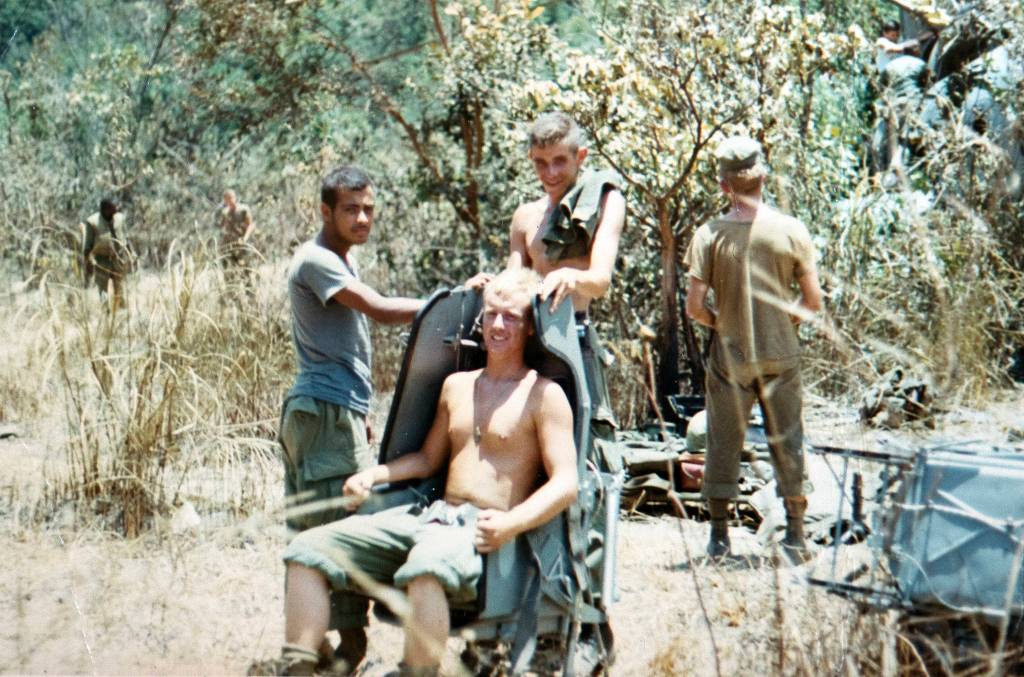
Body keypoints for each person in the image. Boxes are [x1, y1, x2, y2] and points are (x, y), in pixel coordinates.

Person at [276, 268, 578, 676]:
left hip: (479, 527)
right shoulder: (457, 385)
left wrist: (511, 523)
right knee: (308, 549)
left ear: (529, 327)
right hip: (431, 515)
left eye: (511, 317)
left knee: (426, 567)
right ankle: (298, 668)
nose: (498, 325)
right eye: (491, 314)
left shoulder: (544, 395)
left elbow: (566, 483)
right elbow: (427, 460)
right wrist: (375, 476)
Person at [280, 165, 424, 670]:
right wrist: (451, 303)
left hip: (330, 409)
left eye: (368, 209)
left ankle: (312, 645)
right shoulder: (318, 260)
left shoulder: (342, 257)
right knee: (338, 530)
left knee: (312, 529)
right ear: (326, 212)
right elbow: (379, 310)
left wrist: (357, 412)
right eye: (350, 210)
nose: (362, 219)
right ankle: (342, 651)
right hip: (324, 411)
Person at [683, 136, 823, 562]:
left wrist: (723, 322)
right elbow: (812, 302)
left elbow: (694, 307)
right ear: (763, 178)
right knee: (788, 439)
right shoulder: (792, 230)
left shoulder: (709, 235)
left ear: (723, 185)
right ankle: (796, 535)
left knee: (723, 440)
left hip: (731, 356)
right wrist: (782, 322)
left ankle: (719, 538)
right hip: (782, 355)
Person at [470, 111, 626, 449]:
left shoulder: (605, 202)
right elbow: (515, 280)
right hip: (526, 340)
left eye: (559, 161)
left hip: (572, 339)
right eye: (541, 163)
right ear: (531, 158)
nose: (550, 173)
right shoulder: (525, 216)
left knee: (581, 445)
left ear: (580, 156)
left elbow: (600, 281)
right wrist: (488, 285)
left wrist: (571, 276)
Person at [80, 197, 130, 306]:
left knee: (120, 289)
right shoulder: (92, 222)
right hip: (101, 260)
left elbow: (126, 238)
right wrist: (87, 264)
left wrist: (131, 255)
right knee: (103, 291)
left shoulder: (120, 218)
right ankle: (105, 311)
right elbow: (87, 246)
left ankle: (121, 311)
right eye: (113, 207)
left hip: (118, 259)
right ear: (105, 209)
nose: (116, 209)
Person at [215, 189, 256, 271]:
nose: (229, 201)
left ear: (235, 198)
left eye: (231, 198)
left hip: (242, 241)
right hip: (229, 243)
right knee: (228, 266)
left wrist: (245, 238)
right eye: (226, 199)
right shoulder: (225, 212)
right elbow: (222, 226)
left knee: (246, 267)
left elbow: (250, 225)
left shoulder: (243, 210)